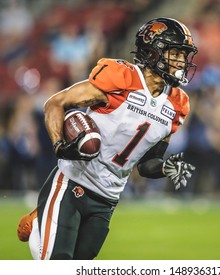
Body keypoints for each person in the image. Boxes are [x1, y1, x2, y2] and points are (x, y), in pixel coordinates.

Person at [17, 17, 198, 260]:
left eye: (183, 55)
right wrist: (60, 146)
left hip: (106, 199)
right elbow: (56, 103)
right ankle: (47, 217)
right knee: (58, 263)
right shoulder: (122, 78)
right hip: (72, 183)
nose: (180, 61)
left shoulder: (178, 104)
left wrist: (166, 167)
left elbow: (145, 165)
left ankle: (44, 219)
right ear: (152, 51)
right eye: (174, 53)